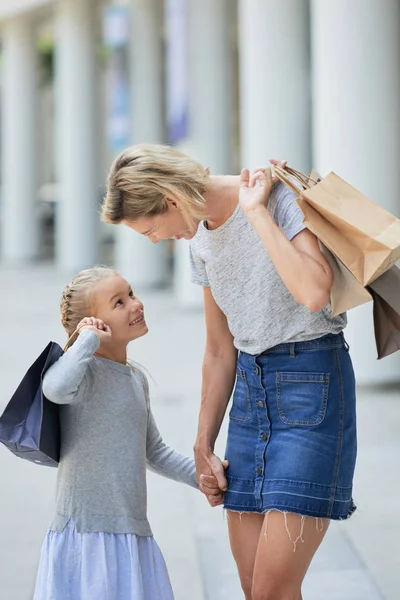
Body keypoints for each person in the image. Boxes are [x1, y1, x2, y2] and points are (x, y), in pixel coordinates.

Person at [102, 145, 357, 600]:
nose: (156, 240)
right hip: (249, 399)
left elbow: (315, 292)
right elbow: (220, 350)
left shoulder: (273, 198)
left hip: (311, 386)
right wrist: (203, 442)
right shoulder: (199, 238)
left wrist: (256, 212)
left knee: (273, 589)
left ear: (170, 198)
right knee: (252, 587)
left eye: (151, 228)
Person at [33, 265, 222, 600]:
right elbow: (54, 388)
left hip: (131, 531)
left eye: (131, 293)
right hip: (87, 535)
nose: (135, 304)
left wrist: (203, 477)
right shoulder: (83, 374)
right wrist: (87, 340)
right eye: (118, 303)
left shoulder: (135, 379)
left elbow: (155, 451)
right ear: (94, 324)